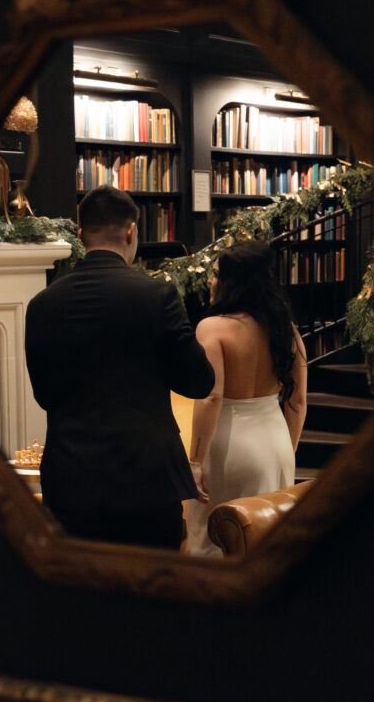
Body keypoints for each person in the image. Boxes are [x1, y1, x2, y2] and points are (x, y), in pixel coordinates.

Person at [24, 185, 215, 550]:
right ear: (131, 231)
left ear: (80, 236)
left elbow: (45, 394)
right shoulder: (156, 295)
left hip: (71, 480)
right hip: (147, 480)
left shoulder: (42, 304)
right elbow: (199, 381)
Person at [184, 240, 307, 557]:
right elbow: (297, 401)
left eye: (215, 274)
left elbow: (212, 397)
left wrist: (195, 461)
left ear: (232, 282)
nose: (210, 281)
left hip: (228, 446)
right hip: (275, 442)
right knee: (265, 544)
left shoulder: (212, 328)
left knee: (213, 542)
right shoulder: (286, 330)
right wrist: (287, 450)